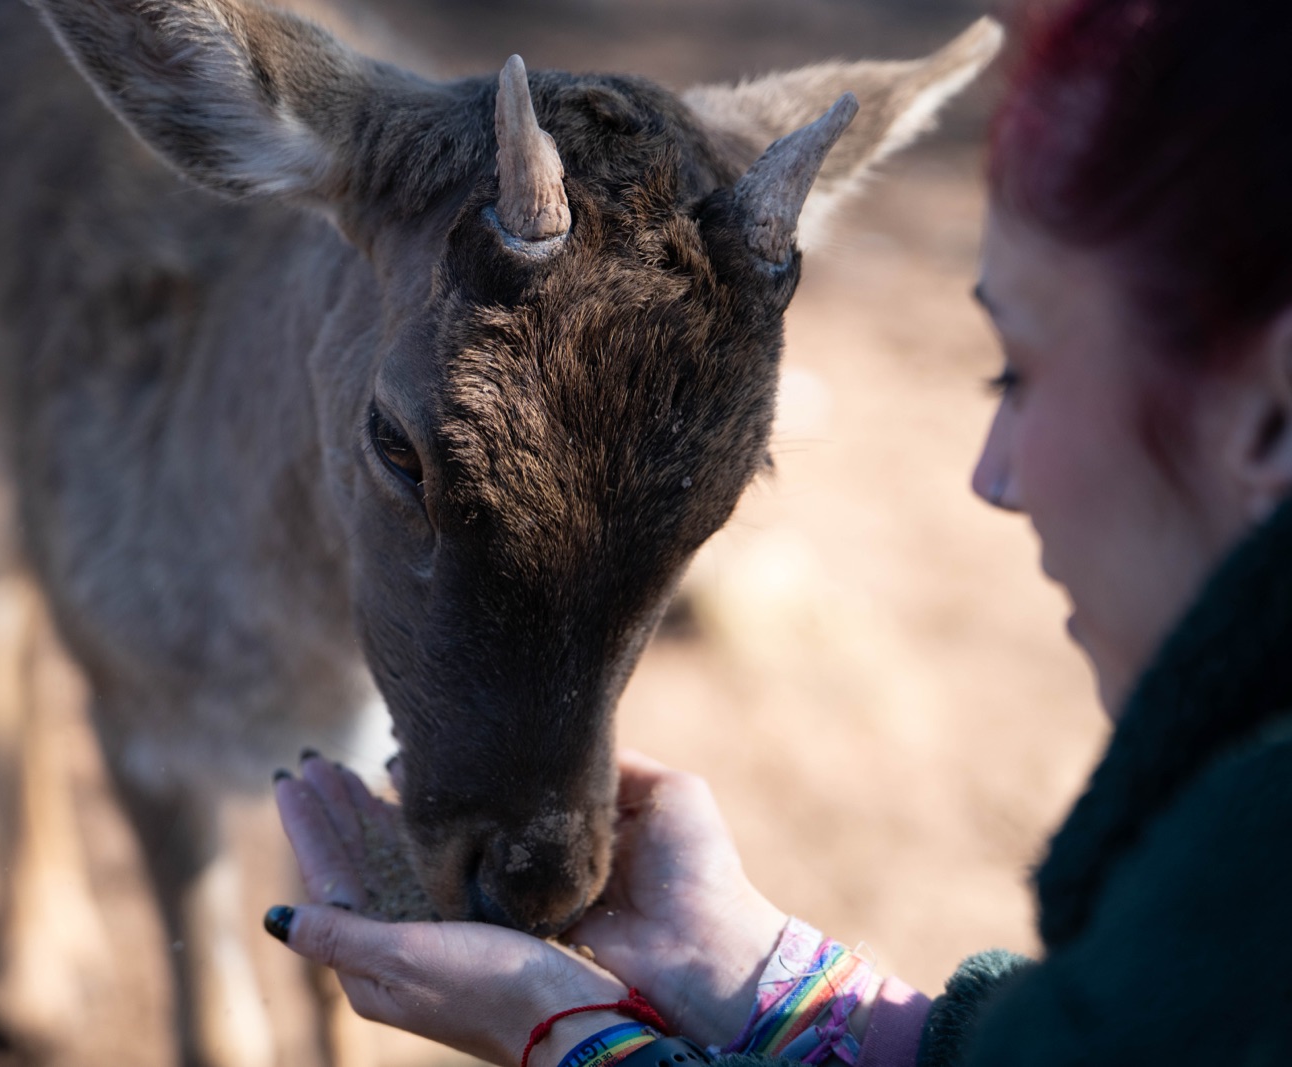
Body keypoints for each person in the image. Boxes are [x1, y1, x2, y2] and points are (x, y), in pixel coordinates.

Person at [266, 0, 1292, 1063]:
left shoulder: (1249, 894)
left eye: (1015, 373)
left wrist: (571, 1041)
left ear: (1271, 413)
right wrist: (760, 976)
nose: (993, 476)